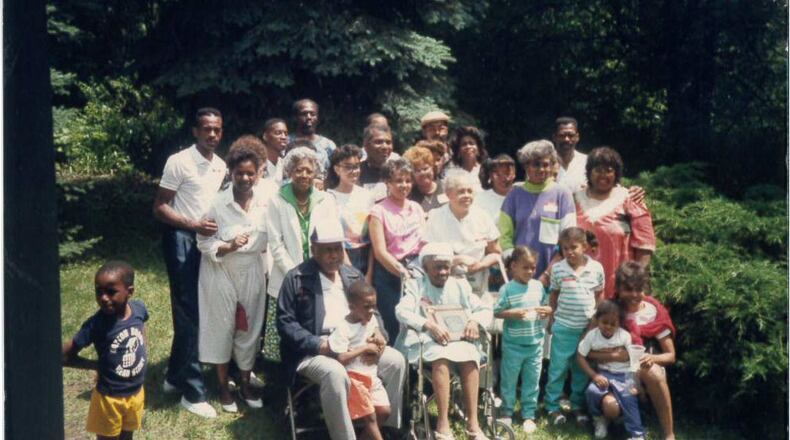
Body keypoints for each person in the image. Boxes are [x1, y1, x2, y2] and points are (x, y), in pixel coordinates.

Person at [277, 221, 406, 440]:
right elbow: (285, 323)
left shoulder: (352, 275)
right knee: (334, 372)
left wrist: (379, 333)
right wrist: (317, 344)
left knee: (396, 361)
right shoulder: (296, 278)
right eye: (327, 250)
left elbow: (373, 310)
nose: (334, 255)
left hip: (358, 341)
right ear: (314, 250)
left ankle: (384, 429)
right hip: (316, 350)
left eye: (338, 249)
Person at [152, 107, 226, 418]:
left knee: (198, 311)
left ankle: (173, 376)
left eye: (217, 129)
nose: (212, 134)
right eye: (207, 129)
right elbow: (159, 207)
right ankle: (193, 393)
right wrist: (193, 225)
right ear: (195, 131)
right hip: (181, 240)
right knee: (188, 312)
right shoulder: (179, 161)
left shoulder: (220, 166)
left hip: (207, 244)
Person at [196, 147, 270, 413]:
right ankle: (223, 387)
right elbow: (202, 241)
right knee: (222, 327)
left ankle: (245, 384)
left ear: (258, 173)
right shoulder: (217, 203)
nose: (245, 178)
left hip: (252, 269)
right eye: (240, 173)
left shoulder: (266, 202)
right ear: (231, 173)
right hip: (220, 270)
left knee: (249, 328)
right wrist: (227, 246)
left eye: (251, 173)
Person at [395, 242, 493, 440]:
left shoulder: (460, 285)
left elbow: (484, 308)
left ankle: (473, 424)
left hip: (458, 341)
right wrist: (427, 324)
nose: (443, 272)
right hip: (427, 341)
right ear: (425, 268)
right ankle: (443, 424)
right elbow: (401, 311)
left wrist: (474, 321)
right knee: (440, 357)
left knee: (470, 356)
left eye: (446, 267)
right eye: (437, 267)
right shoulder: (416, 286)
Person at [262, 146, 339, 362]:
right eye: (298, 170)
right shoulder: (277, 200)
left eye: (308, 170)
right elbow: (276, 244)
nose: (304, 175)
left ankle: (314, 370)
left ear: (316, 173)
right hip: (286, 275)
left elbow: (330, 238)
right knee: (287, 330)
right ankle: (283, 375)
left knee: (316, 325)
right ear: (289, 172)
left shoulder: (326, 200)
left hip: (319, 273)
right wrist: (295, 276)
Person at [589, 262, 676, 440]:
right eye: (628, 289)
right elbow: (587, 350)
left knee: (653, 372)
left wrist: (652, 358)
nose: (635, 295)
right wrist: (617, 356)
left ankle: (669, 434)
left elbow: (671, 356)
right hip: (613, 374)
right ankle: (619, 416)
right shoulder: (609, 310)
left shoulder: (654, 312)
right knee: (611, 408)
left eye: (639, 289)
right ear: (618, 289)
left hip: (643, 374)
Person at [62, 261, 148, 439]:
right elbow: (64, 356)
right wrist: (96, 365)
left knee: (127, 436)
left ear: (129, 291)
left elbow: (141, 327)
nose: (103, 298)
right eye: (99, 291)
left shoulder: (139, 309)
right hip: (109, 399)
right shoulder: (96, 325)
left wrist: (142, 350)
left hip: (135, 393)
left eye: (111, 292)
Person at [575, 147, 656, 299]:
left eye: (609, 170)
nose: (603, 175)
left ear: (616, 173)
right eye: (598, 170)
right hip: (581, 282)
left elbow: (645, 245)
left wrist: (636, 279)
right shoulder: (574, 199)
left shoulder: (630, 199)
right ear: (589, 172)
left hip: (621, 282)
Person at [545, 227, 605, 425]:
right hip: (563, 327)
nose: (569, 252)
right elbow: (554, 295)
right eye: (565, 248)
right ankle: (552, 407)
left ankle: (577, 405)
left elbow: (599, 295)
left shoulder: (596, 268)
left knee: (580, 370)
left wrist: (595, 321)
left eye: (574, 247)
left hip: (586, 329)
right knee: (557, 369)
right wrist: (551, 319)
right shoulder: (558, 269)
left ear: (584, 246)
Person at [493, 246, 552, 434]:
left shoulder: (538, 286)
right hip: (513, 345)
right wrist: (513, 313)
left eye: (533, 268)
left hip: (535, 344)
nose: (530, 272)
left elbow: (545, 305)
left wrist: (547, 310)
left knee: (532, 381)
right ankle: (507, 412)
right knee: (509, 381)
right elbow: (497, 311)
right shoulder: (507, 289)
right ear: (513, 266)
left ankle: (528, 414)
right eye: (525, 267)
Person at [498, 140, 576, 280]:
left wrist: (547, 275)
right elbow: (504, 236)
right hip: (520, 275)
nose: (541, 169)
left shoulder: (562, 194)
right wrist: (515, 266)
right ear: (526, 166)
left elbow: (569, 238)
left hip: (555, 273)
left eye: (546, 164)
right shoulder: (514, 194)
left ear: (552, 166)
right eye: (536, 164)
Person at [368, 158, 427, 341]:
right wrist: (401, 272)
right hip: (390, 273)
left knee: (418, 320)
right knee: (393, 324)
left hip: (418, 269)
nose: (404, 185)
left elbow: (424, 241)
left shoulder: (416, 208)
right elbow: (379, 251)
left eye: (408, 180)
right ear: (388, 183)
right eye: (399, 181)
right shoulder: (378, 211)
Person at [328, 281, 391, 440]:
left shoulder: (371, 319)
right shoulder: (343, 328)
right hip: (354, 378)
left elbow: (379, 338)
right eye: (366, 307)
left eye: (374, 306)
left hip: (371, 376)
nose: (371, 311)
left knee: (384, 411)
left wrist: (379, 344)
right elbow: (341, 358)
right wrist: (364, 348)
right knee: (370, 418)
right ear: (352, 307)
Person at [577, 300, 645, 440]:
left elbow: (633, 359)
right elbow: (580, 356)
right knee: (592, 391)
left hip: (624, 374)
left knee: (629, 397)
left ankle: (637, 433)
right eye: (604, 322)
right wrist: (594, 376)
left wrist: (634, 382)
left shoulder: (624, 336)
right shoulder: (592, 336)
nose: (608, 326)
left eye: (613, 324)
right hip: (604, 374)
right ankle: (599, 419)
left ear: (619, 323)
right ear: (597, 320)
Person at [424, 173, 501, 296]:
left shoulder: (483, 216)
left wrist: (480, 265)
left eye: (470, 191)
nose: (467, 195)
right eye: (461, 192)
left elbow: (496, 253)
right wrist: (457, 260)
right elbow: (428, 257)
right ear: (448, 194)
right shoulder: (435, 217)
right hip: (445, 282)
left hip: (479, 282)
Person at [326, 144, 376, 279]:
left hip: (368, 255)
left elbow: (373, 237)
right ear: (337, 169)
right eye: (348, 167)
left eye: (357, 166)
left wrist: (370, 273)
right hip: (341, 256)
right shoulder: (329, 197)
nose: (354, 171)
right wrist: (350, 272)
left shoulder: (367, 195)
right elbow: (334, 237)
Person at [289, 98, 336, 172]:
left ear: (317, 117)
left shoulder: (328, 146)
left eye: (313, 114)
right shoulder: (285, 142)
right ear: (295, 117)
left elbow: (336, 171)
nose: (309, 117)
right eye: (304, 114)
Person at [402, 145, 448, 214]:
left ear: (432, 167)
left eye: (425, 168)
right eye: (417, 170)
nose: (422, 173)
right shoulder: (409, 196)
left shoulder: (446, 187)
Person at [359, 124, 398, 201]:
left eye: (388, 142)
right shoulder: (356, 173)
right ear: (366, 146)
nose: (385, 147)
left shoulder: (397, 172)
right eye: (378, 142)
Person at [474, 154, 517, 224]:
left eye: (507, 173)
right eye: (498, 174)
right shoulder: (479, 199)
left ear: (514, 174)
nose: (503, 178)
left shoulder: (522, 197)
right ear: (491, 176)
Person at [443, 126, 488, 192]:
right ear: (458, 151)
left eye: (471, 143)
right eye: (464, 144)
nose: (468, 146)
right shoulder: (451, 173)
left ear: (478, 149)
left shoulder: (487, 171)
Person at [260, 118, 289, 185]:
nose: (283, 137)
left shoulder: (286, 164)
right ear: (265, 136)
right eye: (278, 133)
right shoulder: (258, 164)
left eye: (286, 134)